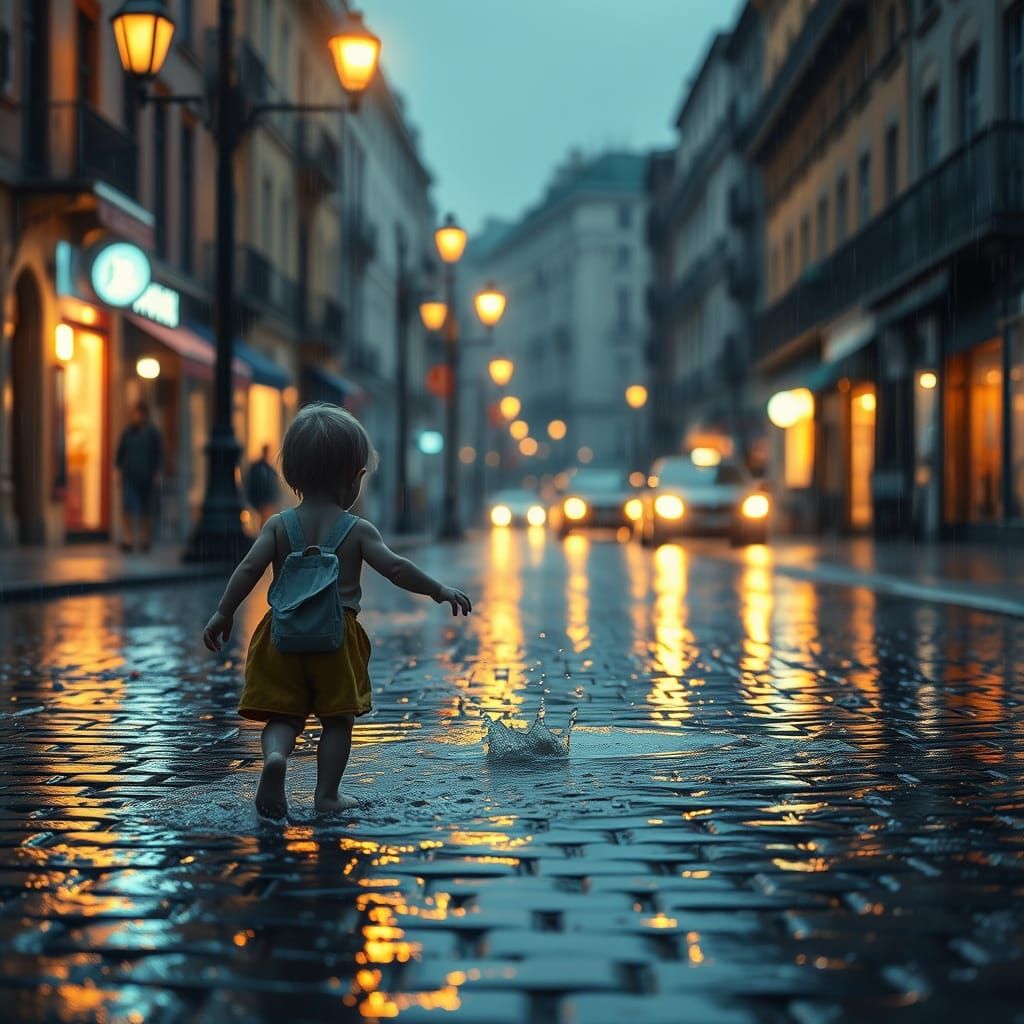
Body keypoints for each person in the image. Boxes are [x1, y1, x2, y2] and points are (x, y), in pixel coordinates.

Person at [201, 403, 471, 819]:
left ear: (291, 475)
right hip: (336, 639)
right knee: (337, 721)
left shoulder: (277, 525)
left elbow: (249, 568)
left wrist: (224, 612)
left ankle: (275, 759)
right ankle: (327, 795)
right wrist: (438, 590)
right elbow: (396, 568)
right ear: (354, 478)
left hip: (282, 637)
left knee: (282, 716)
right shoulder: (357, 530)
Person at [115, 400, 163, 553]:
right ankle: (128, 538)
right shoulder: (128, 432)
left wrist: (156, 473)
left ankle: (144, 538)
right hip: (131, 475)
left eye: (137, 414)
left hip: (147, 477)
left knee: (145, 510)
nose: (135, 417)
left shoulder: (153, 433)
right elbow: (120, 453)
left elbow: (158, 455)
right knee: (128, 508)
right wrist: (119, 471)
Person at [244, 444, 280, 526]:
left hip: (267, 503)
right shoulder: (256, 468)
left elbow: (275, 488)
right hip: (257, 502)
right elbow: (250, 484)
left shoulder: (271, 470)